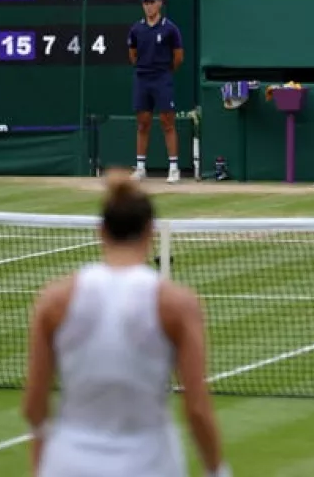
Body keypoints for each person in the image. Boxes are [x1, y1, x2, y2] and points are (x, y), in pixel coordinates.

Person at [22, 168, 229, 477]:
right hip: (150, 465)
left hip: (69, 463)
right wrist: (217, 471)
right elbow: (197, 409)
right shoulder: (178, 304)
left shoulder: (54, 299)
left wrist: (46, 459)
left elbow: (34, 407)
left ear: (101, 231)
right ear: (150, 232)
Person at [128, 0, 184, 184]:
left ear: (160, 3)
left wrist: (164, 71)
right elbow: (132, 55)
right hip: (142, 78)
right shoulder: (136, 29)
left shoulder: (170, 28)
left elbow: (178, 57)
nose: (149, 6)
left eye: (152, 2)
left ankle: (174, 168)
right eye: (146, 2)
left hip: (162, 78)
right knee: (143, 123)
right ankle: (141, 168)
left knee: (167, 123)